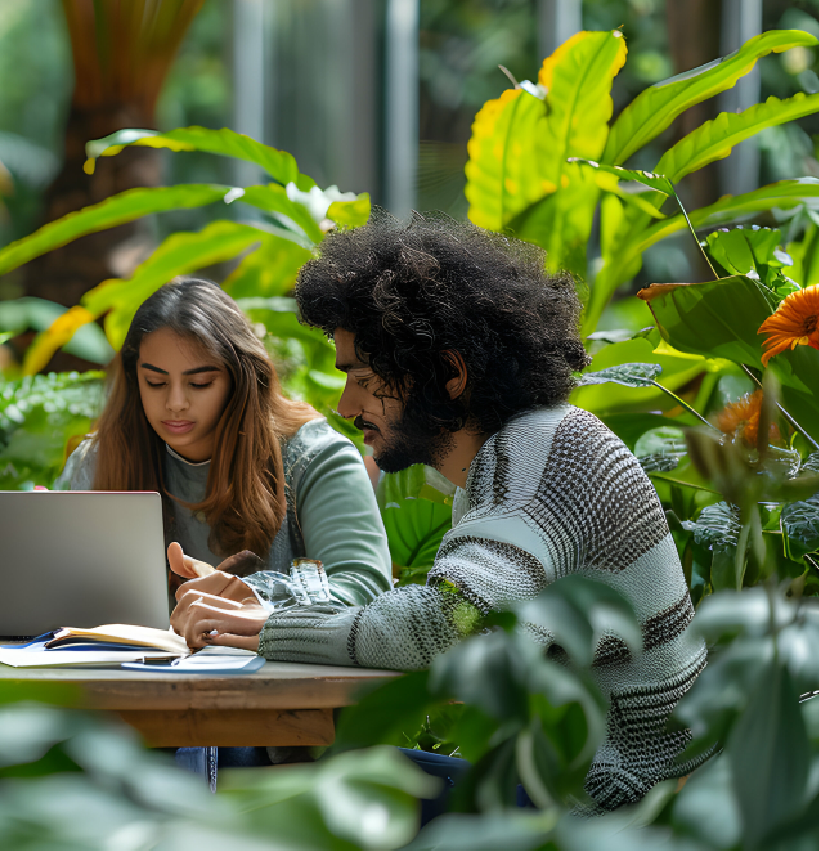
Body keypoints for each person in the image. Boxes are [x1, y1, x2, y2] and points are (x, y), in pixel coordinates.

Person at [171, 213, 706, 811]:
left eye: (364, 378)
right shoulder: (527, 450)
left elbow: (448, 624)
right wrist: (273, 610)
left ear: (450, 374)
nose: (347, 404)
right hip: (585, 786)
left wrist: (270, 630)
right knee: (269, 767)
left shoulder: (539, 456)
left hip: (606, 807)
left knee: (272, 794)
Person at [58, 276, 391, 618]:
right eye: (155, 383)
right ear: (134, 378)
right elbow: (52, 589)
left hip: (277, 671)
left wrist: (247, 595)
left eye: (200, 383)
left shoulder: (314, 457)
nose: (175, 403)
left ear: (240, 377)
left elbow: (365, 591)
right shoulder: (98, 459)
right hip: (122, 670)